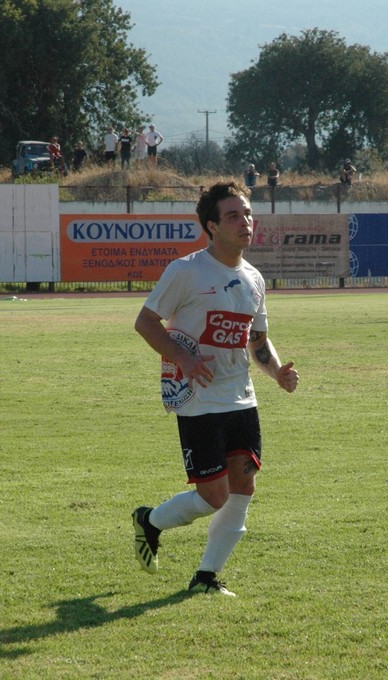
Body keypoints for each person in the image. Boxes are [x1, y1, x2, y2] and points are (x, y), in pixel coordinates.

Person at [131, 180, 300, 597]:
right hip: (199, 398)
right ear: (212, 226)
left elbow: (257, 341)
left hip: (241, 395)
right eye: (233, 216)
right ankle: (149, 521)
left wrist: (276, 372)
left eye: (248, 214)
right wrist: (184, 359)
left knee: (243, 488)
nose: (245, 222)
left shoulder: (254, 278)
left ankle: (206, 577)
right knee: (212, 496)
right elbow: (146, 323)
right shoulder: (186, 271)